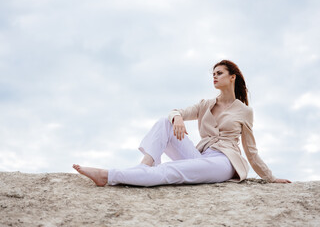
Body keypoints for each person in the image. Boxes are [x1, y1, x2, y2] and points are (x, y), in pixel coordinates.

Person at [73, 60, 291, 186]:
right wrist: (177, 117)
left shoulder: (244, 111)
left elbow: (251, 151)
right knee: (164, 122)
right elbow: (176, 111)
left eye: (219, 73)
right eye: (213, 74)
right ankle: (143, 167)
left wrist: (270, 178)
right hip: (202, 156)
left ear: (232, 77)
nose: (214, 77)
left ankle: (107, 176)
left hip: (223, 162)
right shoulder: (206, 104)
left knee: (170, 171)